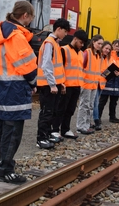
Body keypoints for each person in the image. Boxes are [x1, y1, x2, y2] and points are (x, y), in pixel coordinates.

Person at [0, 0, 37, 184]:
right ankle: (5, 169)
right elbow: (26, 64)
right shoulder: (16, 36)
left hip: (2, 87)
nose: (30, 21)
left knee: (3, 126)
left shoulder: (1, 32)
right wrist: (34, 83)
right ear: (25, 15)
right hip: (15, 88)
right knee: (13, 130)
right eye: (30, 17)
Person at [36, 18, 71, 149]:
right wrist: (52, 84)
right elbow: (46, 66)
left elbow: (56, 67)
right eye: (65, 31)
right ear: (59, 29)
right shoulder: (49, 43)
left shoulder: (55, 44)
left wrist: (59, 83)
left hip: (52, 84)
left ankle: (48, 134)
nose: (66, 34)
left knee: (52, 111)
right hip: (47, 85)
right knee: (46, 111)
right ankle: (41, 138)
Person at [52, 29, 88, 139]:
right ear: (75, 39)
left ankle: (65, 129)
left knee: (70, 109)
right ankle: (54, 129)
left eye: (83, 43)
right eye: (80, 42)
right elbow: (59, 68)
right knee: (61, 108)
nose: (82, 45)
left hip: (76, 85)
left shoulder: (81, 53)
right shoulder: (64, 50)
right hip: (66, 85)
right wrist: (61, 83)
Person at [76, 34, 104, 134]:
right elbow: (81, 68)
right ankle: (81, 126)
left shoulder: (98, 55)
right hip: (86, 84)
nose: (100, 45)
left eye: (101, 44)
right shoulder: (87, 53)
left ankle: (86, 125)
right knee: (84, 105)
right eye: (98, 43)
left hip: (94, 85)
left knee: (90, 105)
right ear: (93, 42)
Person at [98, 39, 119, 124]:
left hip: (116, 80)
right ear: (112, 45)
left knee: (114, 101)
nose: (117, 47)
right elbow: (104, 65)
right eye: (115, 45)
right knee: (103, 100)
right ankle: (98, 117)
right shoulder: (108, 54)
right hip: (108, 78)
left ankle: (112, 117)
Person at [92, 41, 112, 130]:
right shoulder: (98, 57)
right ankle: (96, 121)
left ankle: (93, 121)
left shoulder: (106, 59)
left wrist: (111, 72)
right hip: (95, 82)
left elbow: (104, 73)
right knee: (95, 103)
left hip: (101, 84)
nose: (107, 50)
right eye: (106, 48)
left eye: (109, 49)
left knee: (95, 102)